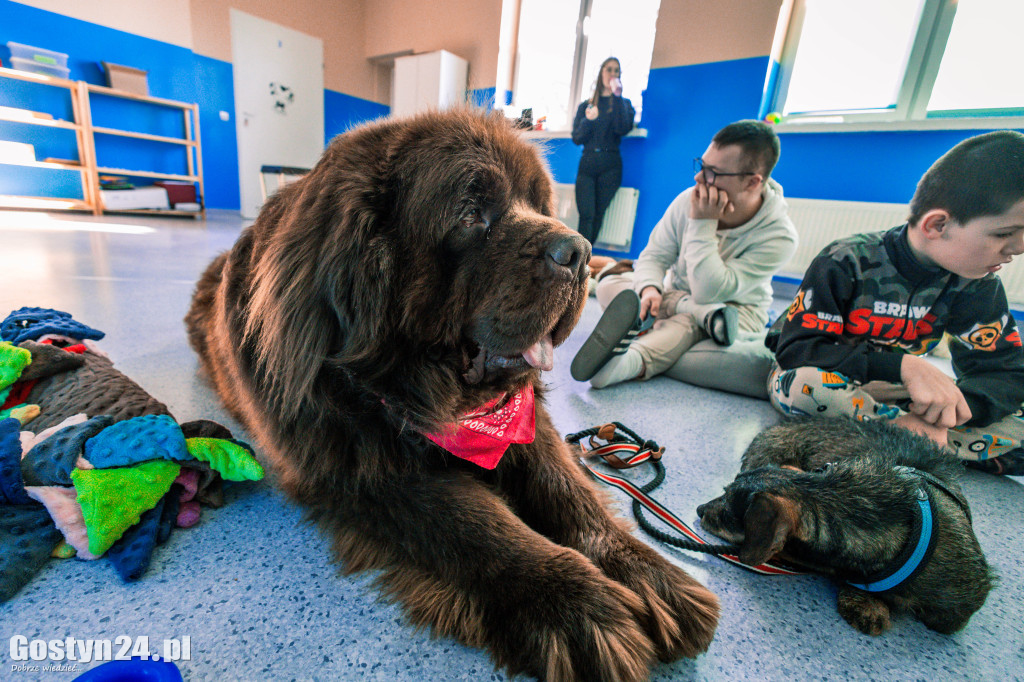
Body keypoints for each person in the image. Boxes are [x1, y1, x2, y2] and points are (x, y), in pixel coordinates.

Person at [765, 130, 1024, 475]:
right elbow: (797, 350)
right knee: (804, 388)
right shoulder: (845, 259)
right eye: (1004, 234)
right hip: (837, 379)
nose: (1017, 248)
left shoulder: (978, 284)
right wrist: (906, 366)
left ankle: (909, 436)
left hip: (898, 400)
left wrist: (951, 411)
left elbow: (1004, 372)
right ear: (937, 224)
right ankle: (926, 445)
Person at [571, 119, 798, 390]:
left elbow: (707, 292)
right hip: (678, 301)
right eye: (701, 165)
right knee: (612, 285)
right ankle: (667, 338)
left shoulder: (779, 236)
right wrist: (650, 289)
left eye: (713, 172)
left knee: (691, 326)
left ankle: (634, 359)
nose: (698, 178)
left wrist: (703, 223)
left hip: (732, 312)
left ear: (752, 182)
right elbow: (653, 257)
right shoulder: (687, 199)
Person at [572, 57, 635, 245]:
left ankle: (587, 260)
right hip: (588, 164)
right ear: (602, 72)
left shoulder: (624, 104)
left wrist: (617, 97)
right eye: (609, 69)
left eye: (617, 71)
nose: (613, 74)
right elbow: (577, 138)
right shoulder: (587, 106)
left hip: (611, 166)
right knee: (587, 215)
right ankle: (577, 259)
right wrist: (589, 120)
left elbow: (622, 128)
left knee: (598, 214)